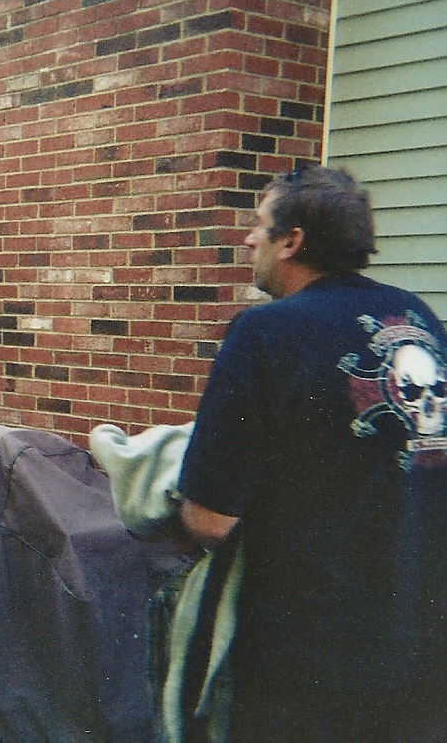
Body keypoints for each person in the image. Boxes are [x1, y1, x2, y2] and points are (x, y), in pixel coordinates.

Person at [176, 163, 447, 741]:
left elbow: (208, 519)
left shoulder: (266, 333)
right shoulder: (421, 321)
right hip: (423, 648)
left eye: (258, 225)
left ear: (291, 241)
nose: (249, 239)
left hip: (308, 665)